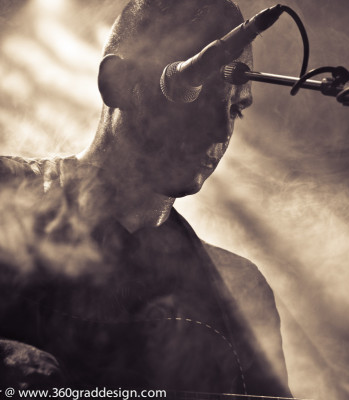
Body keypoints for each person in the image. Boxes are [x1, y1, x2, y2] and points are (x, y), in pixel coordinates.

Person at [0, 0, 292, 396]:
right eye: (198, 94)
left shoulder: (241, 289)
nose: (221, 132)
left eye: (235, 110)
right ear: (116, 83)